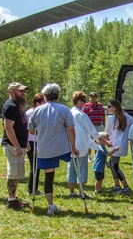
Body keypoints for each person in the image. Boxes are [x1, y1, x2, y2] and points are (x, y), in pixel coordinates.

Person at [27, 83, 77, 216]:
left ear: (45, 96)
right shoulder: (64, 109)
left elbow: (31, 130)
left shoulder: (37, 110)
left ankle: (50, 205)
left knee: (49, 176)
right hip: (62, 148)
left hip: (44, 149)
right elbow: (71, 129)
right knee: (69, 167)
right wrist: (74, 147)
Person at [1, 82, 30, 210]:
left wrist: (25, 142)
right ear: (12, 91)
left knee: (17, 172)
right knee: (13, 173)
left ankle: (13, 198)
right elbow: (8, 127)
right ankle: (11, 200)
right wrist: (17, 145)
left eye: (23, 91)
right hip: (12, 145)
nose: (23, 93)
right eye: (20, 91)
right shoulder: (11, 106)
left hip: (18, 144)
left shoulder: (17, 105)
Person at [68, 90, 102, 198]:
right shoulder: (82, 115)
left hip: (70, 144)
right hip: (81, 144)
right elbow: (92, 130)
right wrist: (103, 141)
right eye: (83, 101)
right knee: (81, 169)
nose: (84, 103)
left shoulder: (68, 113)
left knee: (71, 168)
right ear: (78, 101)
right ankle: (81, 192)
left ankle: (72, 192)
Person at [104, 99, 133, 194]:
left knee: (115, 166)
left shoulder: (111, 119)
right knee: (112, 164)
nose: (108, 108)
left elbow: (107, 133)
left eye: (109, 106)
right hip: (122, 144)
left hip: (114, 145)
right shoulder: (126, 117)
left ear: (115, 107)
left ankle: (126, 187)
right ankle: (117, 185)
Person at [26, 93, 45, 195]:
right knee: (34, 166)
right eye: (43, 102)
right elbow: (27, 129)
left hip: (39, 141)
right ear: (37, 103)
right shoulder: (30, 113)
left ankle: (33, 188)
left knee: (37, 166)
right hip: (31, 141)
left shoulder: (41, 112)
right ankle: (32, 189)